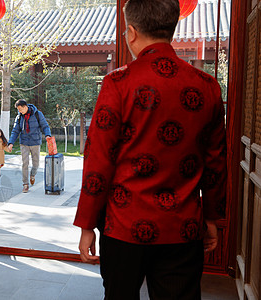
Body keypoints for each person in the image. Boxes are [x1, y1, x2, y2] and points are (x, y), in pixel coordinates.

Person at [74, 0, 227, 299]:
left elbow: (98, 161)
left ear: (130, 32)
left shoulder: (117, 83)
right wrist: (212, 218)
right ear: (172, 28)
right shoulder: (207, 85)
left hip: (123, 226)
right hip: (182, 227)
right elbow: (216, 162)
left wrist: (87, 224)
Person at [8, 99, 51, 193]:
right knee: (25, 164)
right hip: (24, 143)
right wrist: (10, 143)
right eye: (18, 110)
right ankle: (25, 184)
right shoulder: (19, 117)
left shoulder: (38, 114)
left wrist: (48, 135)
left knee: (36, 164)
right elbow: (15, 131)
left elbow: (45, 126)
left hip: (35, 142)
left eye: (20, 109)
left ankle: (32, 175)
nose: (19, 111)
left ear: (25, 107)